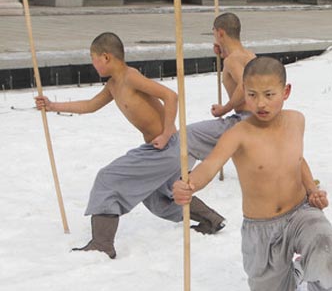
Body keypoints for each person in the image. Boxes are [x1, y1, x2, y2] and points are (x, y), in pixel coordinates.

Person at [173, 57, 332, 291]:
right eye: (252, 94)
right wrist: (189, 185)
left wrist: (312, 190)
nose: (261, 103)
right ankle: (294, 274)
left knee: (323, 241)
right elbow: (211, 165)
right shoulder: (238, 133)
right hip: (261, 228)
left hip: (300, 212)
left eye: (269, 94)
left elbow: (298, 159)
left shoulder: (296, 120)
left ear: (286, 91)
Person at [34, 32, 224, 259]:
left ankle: (102, 244)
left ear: (105, 57)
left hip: (168, 146)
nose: (92, 64)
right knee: (157, 197)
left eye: (93, 58)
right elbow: (90, 105)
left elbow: (170, 96)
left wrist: (165, 132)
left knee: (108, 178)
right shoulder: (114, 85)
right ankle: (211, 219)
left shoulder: (130, 77)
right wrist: (52, 105)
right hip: (162, 149)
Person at [186, 12, 257, 161]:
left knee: (188, 136)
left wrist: (224, 109)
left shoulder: (231, 60)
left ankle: (184, 178)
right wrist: (223, 51)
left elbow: (244, 85)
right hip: (256, 116)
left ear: (220, 33)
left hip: (244, 119)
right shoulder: (250, 55)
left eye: (214, 34)